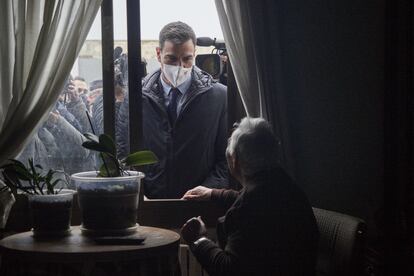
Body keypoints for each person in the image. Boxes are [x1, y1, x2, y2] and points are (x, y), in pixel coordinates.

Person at [180, 117, 319, 276]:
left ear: (234, 161)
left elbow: (228, 270)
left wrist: (198, 240)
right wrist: (212, 193)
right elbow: (252, 200)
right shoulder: (286, 186)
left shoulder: (246, 208)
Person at [117, 21, 228, 198]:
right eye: (172, 59)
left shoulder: (219, 97)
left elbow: (227, 158)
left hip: (200, 205)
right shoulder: (136, 98)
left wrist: (209, 191)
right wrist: (138, 191)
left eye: (186, 59)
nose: (180, 67)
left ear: (195, 54)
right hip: (150, 205)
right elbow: (123, 153)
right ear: (158, 54)